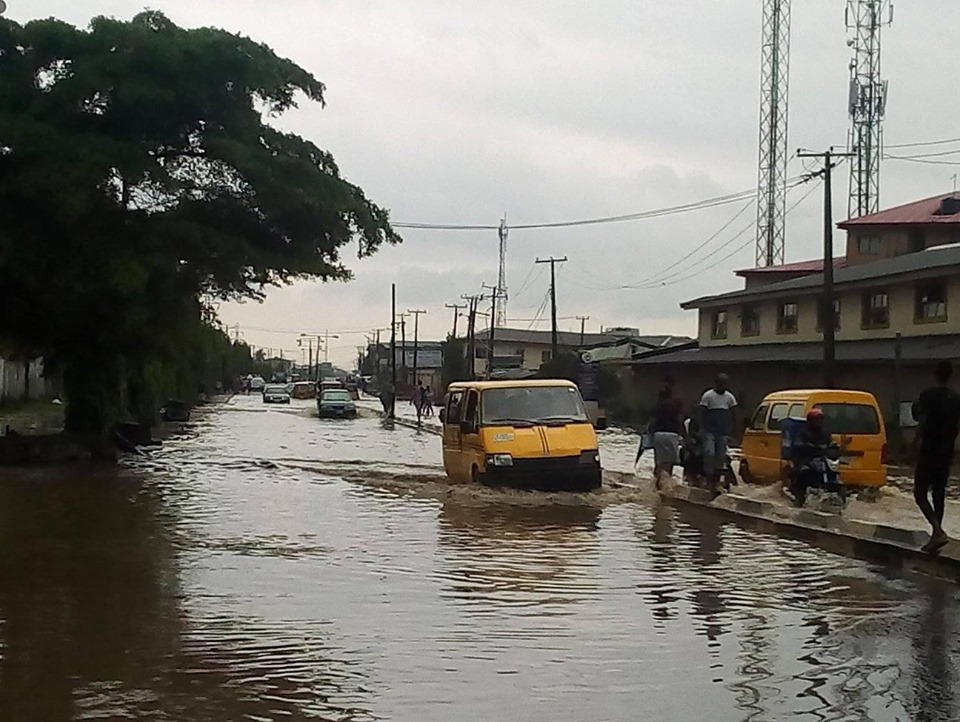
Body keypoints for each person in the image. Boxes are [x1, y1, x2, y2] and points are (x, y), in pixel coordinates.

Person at [911, 360, 960, 553]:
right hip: (946, 452)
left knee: (919, 492)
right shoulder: (956, 398)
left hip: (929, 450)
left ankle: (937, 531)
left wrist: (913, 445)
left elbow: (923, 422)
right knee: (939, 493)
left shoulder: (928, 395)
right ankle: (936, 534)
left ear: (935, 374)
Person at [698, 373, 738, 487]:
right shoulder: (708, 396)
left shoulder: (730, 397)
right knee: (709, 452)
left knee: (721, 456)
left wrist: (734, 429)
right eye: (721, 383)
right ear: (716, 383)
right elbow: (701, 412)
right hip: (709, 430)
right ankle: (708, 475)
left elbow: (734, 414)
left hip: (723, 431)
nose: (723, 386)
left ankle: (716, 481)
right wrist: (701, 428)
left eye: (725, 383)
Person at [790, 408, 835, 507]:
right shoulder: (804, 432)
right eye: (816, 419)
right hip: (807, 459)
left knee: (834, 473)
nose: (818, 422)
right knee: (804, 472)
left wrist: (835, 447)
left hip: (822, 459)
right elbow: (797, 443)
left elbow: (831, 443)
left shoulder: (825, 433)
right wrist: (808, 446)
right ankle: (799, 497)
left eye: (820, 419)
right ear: (810, 420)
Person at [650, 383, 683, 488]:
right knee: (670, 462)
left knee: (659, 461)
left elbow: (652, 421)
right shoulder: (675, 404)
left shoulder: (657, 406)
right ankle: (666, 485)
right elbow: (679, 419)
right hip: (672, 434)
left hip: (658, 434)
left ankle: (656, 484)